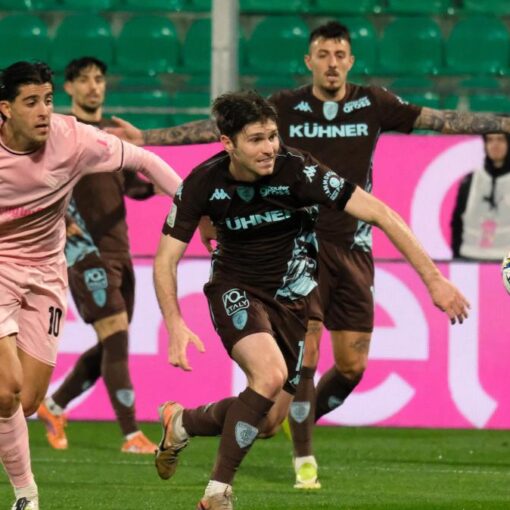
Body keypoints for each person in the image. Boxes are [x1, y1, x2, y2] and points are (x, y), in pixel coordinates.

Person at [106, 20, 510, 490]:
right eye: (323, 54)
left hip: (338, 254)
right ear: (309, 60)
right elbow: (212, 135)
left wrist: (434, 279)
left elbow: (433, 131)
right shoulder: (277, 113)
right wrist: (150, 138)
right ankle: (285, 466)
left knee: (290, 403)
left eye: (340, 54)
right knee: (284, 368)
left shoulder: (353, 120)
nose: (332, 63)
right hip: (277, 267)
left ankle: (184, 422)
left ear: (351, 60)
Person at [152, 89, 469, 510]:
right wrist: (175, 323)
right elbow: (165, 259)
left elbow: (381, 213)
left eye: (272, 136)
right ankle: (217, 493)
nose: (269, 148)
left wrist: (434, 280)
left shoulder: (300, 171)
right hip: (235, 289)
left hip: (293, 300)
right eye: (256, 139)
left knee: (268, 420)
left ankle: (182, 422)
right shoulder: (202, 183)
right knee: (268, 376)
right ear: (228, 143)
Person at [0, 61, 181, 510]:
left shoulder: (73, 137)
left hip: (46, 273)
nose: (44, 110)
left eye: (47, 100)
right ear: (5, 108)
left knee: (27, 401)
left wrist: (197, 211)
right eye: (30, 102)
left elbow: (144, 161)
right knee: (5, 388)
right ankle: (26, 495)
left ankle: (49, 414)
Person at [36, 57, 158, 454]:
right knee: (116, 340)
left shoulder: (110, 138)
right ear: (69, 87)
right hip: (85, 251)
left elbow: (133, 186)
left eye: (99, 79)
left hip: (120, 249)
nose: (94, 86)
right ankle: (131, 435)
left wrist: (159, 183)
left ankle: (54, 405)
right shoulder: (60, 134)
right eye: (84, 80)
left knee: (112, 343)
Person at [451, 133, 510, 260]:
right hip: (471, 257)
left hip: (506, 260)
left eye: (500, 139)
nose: (495, 145)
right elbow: (457, 222)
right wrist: (457, 259)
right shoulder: (471, 180)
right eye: (490, 140)